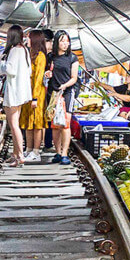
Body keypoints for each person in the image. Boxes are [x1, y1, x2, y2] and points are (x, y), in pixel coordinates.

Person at [45, 30, 79, 165]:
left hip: (67, 92)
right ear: (57, 42)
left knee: (65, 122)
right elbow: (47, 72)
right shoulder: (50, 57)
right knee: (55, 125)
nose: (65, 44)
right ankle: (57, 152)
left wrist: (64, 86)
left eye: (67, 41)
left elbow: (74, 78)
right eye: (62, 41)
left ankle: (65, 153)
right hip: (53, 93)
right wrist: (47, 73)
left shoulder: (72, 57)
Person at [0, 25, 32, 166]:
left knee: (14, 125)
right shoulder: (24, 50)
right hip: (21, 91)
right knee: (15, 124)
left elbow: (10, 70)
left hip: (13, 91)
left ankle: (19, 156)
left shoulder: (14, 50)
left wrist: (1, 63)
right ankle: (15, 154)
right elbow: (29, 71)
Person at [20, 29, 48, 161]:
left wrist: (35, 97)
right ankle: (28, 149)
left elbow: (38, 78)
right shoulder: (29, 54)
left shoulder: (41, 56)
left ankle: (36, 152)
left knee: (36, 123)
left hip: (36, 94)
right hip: (27, 92)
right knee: (27, 122)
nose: (27, 40)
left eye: (29, 38)